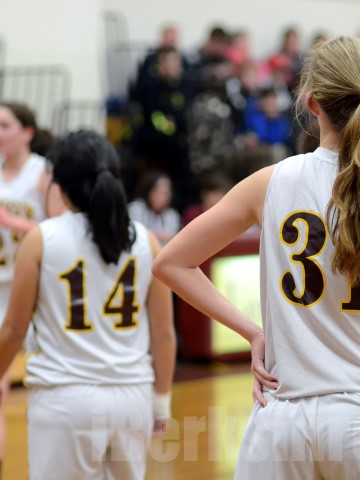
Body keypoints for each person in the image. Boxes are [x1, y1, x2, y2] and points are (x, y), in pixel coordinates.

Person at [153, 36, 360, 479]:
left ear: (311, 102)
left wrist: (253, 333)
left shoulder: (268, 182)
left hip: (281, 418)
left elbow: (171, 263)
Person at [0, 130, 176, 479]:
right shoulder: (146, 240)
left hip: (65, 399)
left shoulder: (42, 239)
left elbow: (14, 329)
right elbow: (164, 333)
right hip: (133, 399)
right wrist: (162, 400)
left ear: (59, 185)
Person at [0, 102, 65, 476]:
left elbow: (63, 228)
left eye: (4, 125)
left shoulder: (42, 172)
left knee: (47, 383)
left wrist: (12, 222)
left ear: (26, 132)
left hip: (36, 289)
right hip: (0, 289)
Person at [128, 170, 181, 246]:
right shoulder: (136, 209)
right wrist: (154, 237)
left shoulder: (172, 215)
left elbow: (175, 242)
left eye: (166, 192)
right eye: (159, 191)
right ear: (149, 192)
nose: (164, 196)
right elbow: (134, 235)